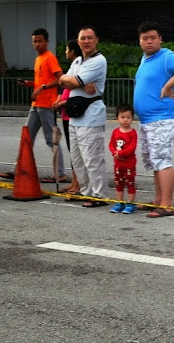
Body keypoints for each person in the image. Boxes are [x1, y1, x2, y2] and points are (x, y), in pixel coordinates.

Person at [133, 21, 174, 218]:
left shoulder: (166, 56)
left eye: (153, 38)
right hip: (148, 119)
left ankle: (167, 204)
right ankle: (158, 200)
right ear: (140, 41)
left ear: (160, 39)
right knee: (153, 161)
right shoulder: (145, 59)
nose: (149, 41)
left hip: (162, 118)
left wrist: (168, 86)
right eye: (145, 38)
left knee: (161, 159)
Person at [1, 28, 67, 182]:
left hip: (46, 105)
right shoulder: (38, 59)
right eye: (34, 41)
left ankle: (61, 173)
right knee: (27, 137)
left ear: (47, 42)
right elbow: (40, 82)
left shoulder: (49, 58)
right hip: (36, 104)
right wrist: (30, 84)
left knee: (51, 139)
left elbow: (60, 79)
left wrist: (42, 88)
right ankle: (18, 169)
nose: (37, 44)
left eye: (40, 41)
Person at [59, 25, 109, 207]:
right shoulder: (78, 61)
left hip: (91, 116)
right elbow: (64, 81)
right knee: (78, 159)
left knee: (92, 158)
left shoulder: (99, 60)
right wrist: (78, 83)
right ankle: (86, 191)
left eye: (90, 38)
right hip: (75, 116)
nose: (86, 41)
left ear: (96, 40)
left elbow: (72, 81)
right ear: (78, 41)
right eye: (83, 38)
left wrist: (75, 82)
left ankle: (99, 195)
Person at [52, 39, 83, 194]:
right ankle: (74, 182)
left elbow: (72, 86)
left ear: (72, 51)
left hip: (71, 113)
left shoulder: (78, 65)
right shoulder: (73, 65)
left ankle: (78, 183)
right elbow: (62, 83)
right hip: (65, 115)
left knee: (75, 152)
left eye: (66, 49)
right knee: (72, 152)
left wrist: (63, 103)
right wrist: (60, 99)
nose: (65, 52)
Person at [108, 103, 138, 214]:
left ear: (132, 118)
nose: (125, 120)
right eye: (123, 117)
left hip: (129, 163)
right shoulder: (115, 132)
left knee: (130, 183)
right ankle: (119, 202)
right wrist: (114, 152)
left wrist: (121, 153)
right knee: (118, 183)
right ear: (117, 118)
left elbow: (132, 147)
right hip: (118, 163)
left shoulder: (132, 133)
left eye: (128, 117)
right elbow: (111, 144)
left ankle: (130, 203)